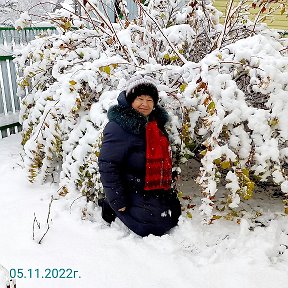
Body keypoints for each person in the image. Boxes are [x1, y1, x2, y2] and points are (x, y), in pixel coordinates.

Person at [98, 74, 181, 237]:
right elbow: (108, 165)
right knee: (154, 227)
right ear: (130, 101)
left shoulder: (155, 124)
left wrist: (169, 174)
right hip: (131, 187)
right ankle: (111, 206)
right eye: (140, 99)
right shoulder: (119, 126)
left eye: (150, 100)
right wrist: (117, 200)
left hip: (149, 185)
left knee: (173, 215)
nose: (145, 104)